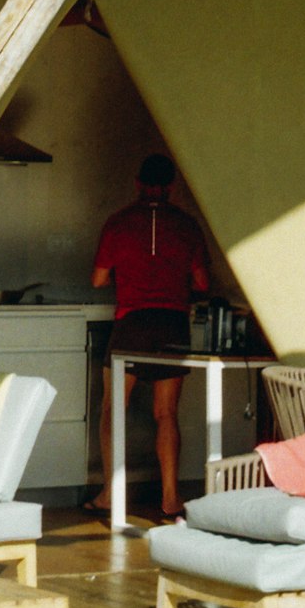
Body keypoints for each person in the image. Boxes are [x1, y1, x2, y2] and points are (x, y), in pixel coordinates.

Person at [89, 154, 209, 519]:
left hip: (132, 322)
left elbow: (98, 280)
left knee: (113, 410)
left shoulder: (119, 223)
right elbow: (203, 283)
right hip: (173, 323)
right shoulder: (186, 225)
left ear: (138, 183)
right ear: (171, 186)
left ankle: (111, 494)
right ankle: (171, 498)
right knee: (166, 414)